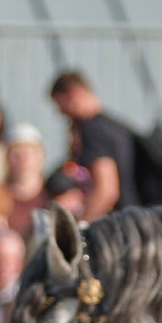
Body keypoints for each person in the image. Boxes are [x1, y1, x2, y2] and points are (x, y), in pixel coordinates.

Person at [52, 70, 135, 219]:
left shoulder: (92, 130)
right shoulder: (115, 127)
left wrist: (80, 230)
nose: (60, 113)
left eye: (60, 105)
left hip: (116, 226)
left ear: (73, 94)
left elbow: (106, 191)